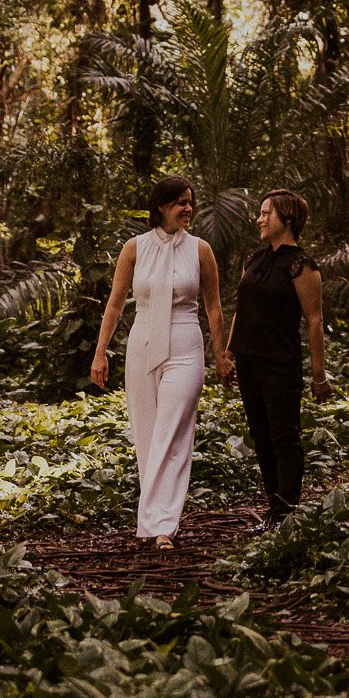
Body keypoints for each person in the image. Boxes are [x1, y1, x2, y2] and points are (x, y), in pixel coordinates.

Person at [90, 176, 230, 548]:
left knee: (172, 433)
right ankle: (157, 520)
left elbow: (214, 308)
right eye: (180, 202)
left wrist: (221, 355)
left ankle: (160, 526)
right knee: (148, 436)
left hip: (186, 345)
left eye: (190, 202)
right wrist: (101, 351)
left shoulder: (200, 250)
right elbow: (116, 304)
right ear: (161, 207)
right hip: (142, 345)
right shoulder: (134, 249)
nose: (188, 208)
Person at [226, 189, 330, 527]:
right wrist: (228, 353)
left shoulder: (301, 266)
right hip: (248, 360)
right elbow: (241, 311)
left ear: (286, 219)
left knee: (284, 436)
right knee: (260, 434)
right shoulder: (254, 260)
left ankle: (286, 512)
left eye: (266, 213)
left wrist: (319, 376)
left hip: (279, 363)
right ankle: (274, 506)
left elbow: (314, 321)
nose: (259, 219)